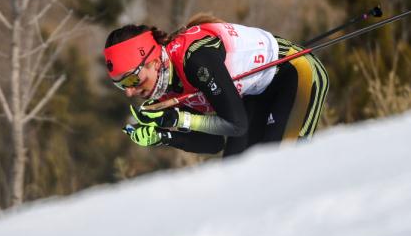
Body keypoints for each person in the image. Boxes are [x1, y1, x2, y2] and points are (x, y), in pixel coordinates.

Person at [103, 14, 329, 157]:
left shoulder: (194, 60)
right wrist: (163, 135)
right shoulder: (166, 85)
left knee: (278, 166)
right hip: (255, 94)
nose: (130, 91)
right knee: (236, 175)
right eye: (121, 85)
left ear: (152, 61)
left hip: (294, 73)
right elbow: (212, 142)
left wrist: (176, 119)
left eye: (132, 79)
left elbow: (236, 125)